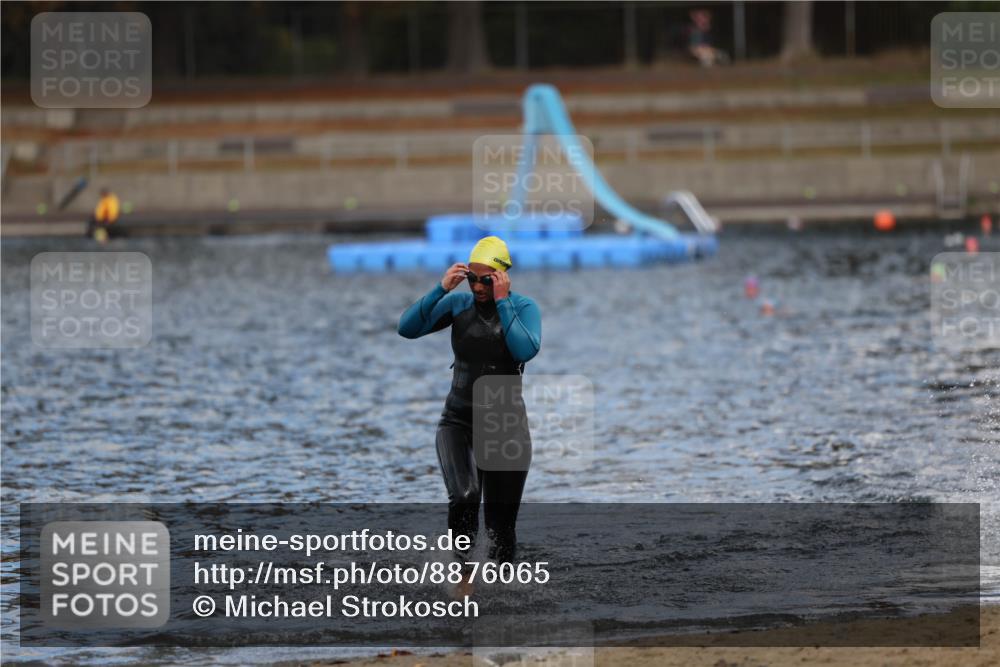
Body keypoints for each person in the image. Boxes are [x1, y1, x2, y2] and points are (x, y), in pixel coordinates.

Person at [398, 236, 541, 567]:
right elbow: (407, 329)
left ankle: (502, 593)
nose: (477, 287)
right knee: (464, 496)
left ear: (502, 276)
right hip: (458, 423)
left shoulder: (523, 308)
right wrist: (440, 289)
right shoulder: (458, 305)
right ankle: (461, 578)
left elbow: (525, 350)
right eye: (472, 278)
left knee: (500, 531)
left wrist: (502, 302)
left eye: (485, 279)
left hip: (506, 430)